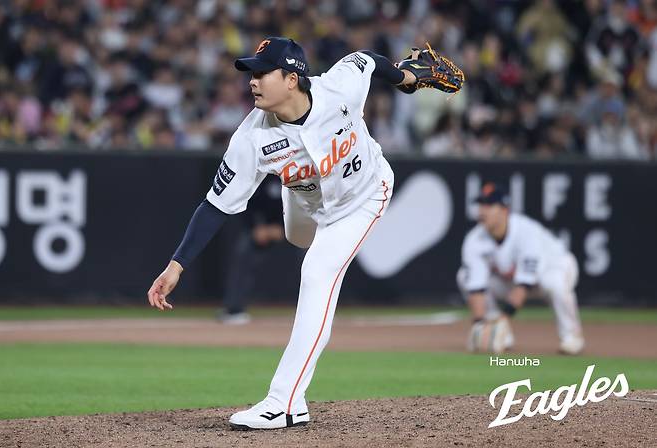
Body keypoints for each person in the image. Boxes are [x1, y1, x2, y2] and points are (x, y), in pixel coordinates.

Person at [147, 37, 424, 430]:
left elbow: (367, 59)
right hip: (305, 204)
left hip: (364, 196)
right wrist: (176, 265)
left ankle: (286, 402)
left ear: (292, 79)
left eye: (262, 73)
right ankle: (287, 398)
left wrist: (405, 78)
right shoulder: (251, 138)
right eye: (251, 73)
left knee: (316, 272)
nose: (252, 81)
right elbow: (215, 205)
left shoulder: (338, 87)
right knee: (300, 238)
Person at [457, 182, 585, 355]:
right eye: (480, 205)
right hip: (513, 280)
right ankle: (499, 336)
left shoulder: (525, 231)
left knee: (554, 283)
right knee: (464, 276)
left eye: (488, 205)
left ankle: (572, 336)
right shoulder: (475, 239)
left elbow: (524, 285)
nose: (482, 211)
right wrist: (479, 323)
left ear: (504, 210)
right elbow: (476, 287)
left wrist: (504, 318)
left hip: (555, 267)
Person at [218, 175, 286, 325]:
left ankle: (318, 310)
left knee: (312, 255)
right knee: (243, 253)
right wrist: (256, 227)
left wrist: (284, 227)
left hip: (293, 228)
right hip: (260, 229)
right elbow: (245, 205)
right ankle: (234, 309)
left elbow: (304, 204)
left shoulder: (295, 173)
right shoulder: (259, 176)